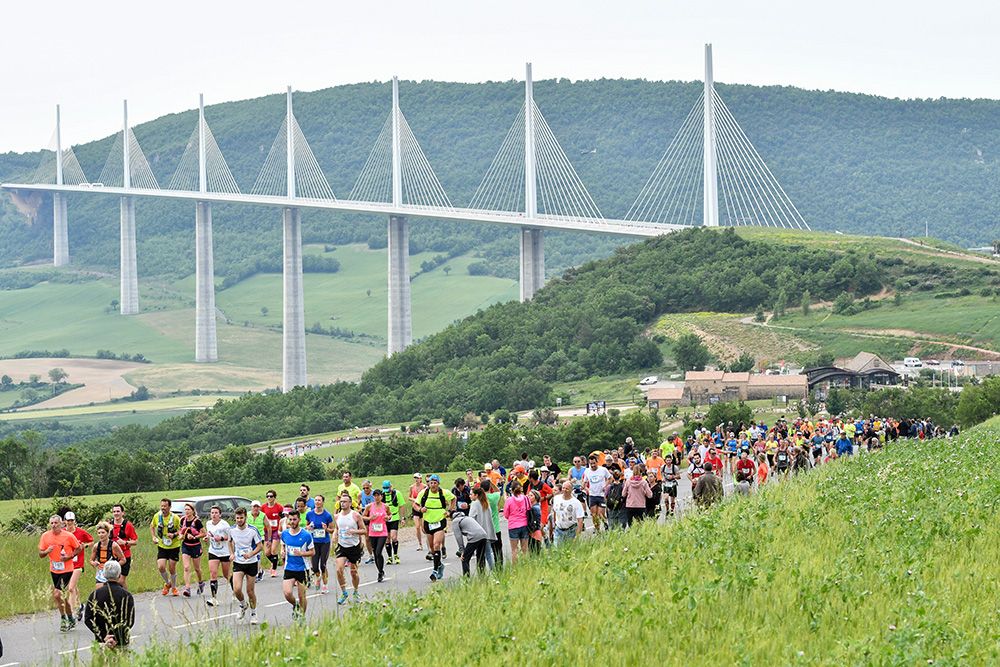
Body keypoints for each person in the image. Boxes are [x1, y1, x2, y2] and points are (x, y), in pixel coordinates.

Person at [39, 514, 83, 632]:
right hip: (54, 570)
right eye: (52, 523)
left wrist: (69, 556)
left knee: (57, 594)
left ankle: (63, 618)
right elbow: (41, 554)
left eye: (56, 523)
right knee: (60, 597)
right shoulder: (45, 536)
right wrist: (46, 551)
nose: (53, 525)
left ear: (61, 524)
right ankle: (70, 618)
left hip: (67, 569)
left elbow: (79, 548)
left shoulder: (68, 536)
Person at [83, 560, 134, 649]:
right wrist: (116, 636)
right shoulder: (126, 595)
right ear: (119, 575)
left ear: (104, 575)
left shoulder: (95, 594)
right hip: (121, 641)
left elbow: (88, 619)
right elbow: (130, 621)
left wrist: (103, 636)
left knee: (102, 662)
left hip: (102, 641)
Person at [412, 474, 455, 581]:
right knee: (431, 548)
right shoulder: (424, 493)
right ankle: (440, 565)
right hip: (427, 522)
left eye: (435, 483)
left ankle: (435, 571)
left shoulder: (443, 492)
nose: (433, 485)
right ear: (429, 483)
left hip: (440, 521)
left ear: (438, 484)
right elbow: (415, 505)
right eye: (431, 483)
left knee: (436, 545)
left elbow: (454, 498)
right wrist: (420, 509)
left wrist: (450, 511)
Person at [229, 507, 263, 624]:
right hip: (238, 563)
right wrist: (232, 553)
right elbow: (230, 541)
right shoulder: (232, 529)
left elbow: (260, 546)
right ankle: (243, 605)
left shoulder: (252, 530)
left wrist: (251, 553)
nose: (239, 520)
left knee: (250, 591)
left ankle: (254, 613)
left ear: (245, 517)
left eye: (241, 518)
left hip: (251, 563)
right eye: (237, 518)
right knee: (237, 589)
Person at [280, 510, 314, 620]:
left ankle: (302, 618)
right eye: (290, 519)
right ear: (288, 520)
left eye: (295, 519)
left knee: (302, 596)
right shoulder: (285, 534)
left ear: (299, 520)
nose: (292, 522)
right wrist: (282, 551)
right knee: (287, 593)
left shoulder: (306, 535)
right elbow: (283, 545)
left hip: (303, 569)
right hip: (289, 567)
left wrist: (301, 553)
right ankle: (295, 605)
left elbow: (312, 552)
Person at [334, 493, 367, 602]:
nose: (342, 503)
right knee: (339, 569)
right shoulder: (337, 516)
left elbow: (364, 530)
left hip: (354, 546)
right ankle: (344, 593)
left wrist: (354, 531)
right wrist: (335, 534)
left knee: (353, 572)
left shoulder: (356, 515)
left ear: (349, 503)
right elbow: (337, 527)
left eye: (344, 501)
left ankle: (356, 591)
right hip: (342, 546)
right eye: (341, 501)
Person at [63, 512, 94, 622]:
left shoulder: (80, 532)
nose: (70, 523)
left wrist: (84, 546)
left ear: (74, 521)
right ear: (64, 521)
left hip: (78, 564)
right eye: (68, 520)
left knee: (70, 588)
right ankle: (80, 606)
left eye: (72, 520)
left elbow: (91, 541)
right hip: (67, 563)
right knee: (74, 587)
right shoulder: (63, 533)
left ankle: (71, 614)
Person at [149, 499, 181, 596]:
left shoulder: (175, 518)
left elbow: (181, 530)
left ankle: (174, 587)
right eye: (162, 506)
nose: (163, 508)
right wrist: (154, 537)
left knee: (172, 568)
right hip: (162, 545)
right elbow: (152, 526)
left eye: (165, 506)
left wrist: (174, 534)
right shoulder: (157, 516)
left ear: (170, 507)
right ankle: (167, 584)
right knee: (161, 566)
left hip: (174, 546)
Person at [304, 495, 333, 593]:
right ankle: (318, 576)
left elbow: (332, 530)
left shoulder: (327, 515)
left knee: (323, 565)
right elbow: (307, 526)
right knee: (315, 566)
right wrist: (309, 527)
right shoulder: (310, 514)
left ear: (323, 502)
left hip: (325, 542)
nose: (317, 502)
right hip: (314, 542)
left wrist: (326, 529)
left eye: (319, 500)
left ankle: (325, 585)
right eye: (316, 500)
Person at [204, 506, 232, 607]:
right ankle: (214, 598)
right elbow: (209, 534)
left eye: (216, 513)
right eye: (212, 513)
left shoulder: (224, 525)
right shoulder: (208, 523)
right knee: (213, 573)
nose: (214, 515)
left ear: (220, 514)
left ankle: (235, 591)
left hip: (225, 552)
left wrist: (221, 538)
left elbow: (230, 537)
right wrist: (207, 538)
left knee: (226, 574)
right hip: (213, 551)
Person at [178, 502, 205, 597]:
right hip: (185, 545)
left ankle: (201, 582)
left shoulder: (197, 521)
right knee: (186, 567)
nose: (186, 511)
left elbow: (203, 533)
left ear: (193, 511)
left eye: (188, 509)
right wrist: (181, 536)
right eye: (185, 509)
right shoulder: (182, 520)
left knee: (197, 569)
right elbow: (180, 531)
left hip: (196, 546)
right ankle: (187, 588)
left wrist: (194, 537)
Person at [363, 489, 390, 582]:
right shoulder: (369, 507)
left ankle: (380, 572)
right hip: (372, 532)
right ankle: (380, 571)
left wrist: (388, 517)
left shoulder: (385, 506)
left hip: (382, 532)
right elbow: (363, 517)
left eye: (378, 495)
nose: (376, 497)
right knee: (375, 553)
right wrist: (370, 518)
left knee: (378, 552)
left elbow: (390, 515)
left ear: (381, 497)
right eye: (375, 496)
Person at [109, 504, 138, 590]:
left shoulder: (128, 525)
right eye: (114, 511)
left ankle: (127, 597)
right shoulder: (109, 525)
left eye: (118, 511)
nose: (116, 513)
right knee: (112, 581)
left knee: (121, 581)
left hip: (125, 555)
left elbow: (135, 541)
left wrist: (125, 542)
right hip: (112, 556)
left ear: (123, 513)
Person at [502, 480, 531, 563]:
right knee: (525, 549)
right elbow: (529, 509)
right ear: (521, 489)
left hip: (513, 525)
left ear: (512, 490)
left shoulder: (509, 500)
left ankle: (515, 569)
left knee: (514, 550)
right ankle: (526, 566)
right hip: (524, 524)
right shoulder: (526, 498)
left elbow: (506, 514)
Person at [90, 521, 125, 590]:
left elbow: (123, 560)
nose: (101, 535)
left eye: (103, 532)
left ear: (108, 533)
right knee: (99, 593)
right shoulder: (96, 546)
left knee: (112, 593)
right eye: (99, 533)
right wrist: (94, 563)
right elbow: (91, 560)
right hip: (100, 573)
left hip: (112, 574)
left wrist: (113, 566)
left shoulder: (114, 545)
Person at [469, 486, 496, 570]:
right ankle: (493, 571)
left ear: (476, 495)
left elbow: (471, 518)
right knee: (488, 553)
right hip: (487, 532)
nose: (470, 496)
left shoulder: (475, 504)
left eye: (471, 494)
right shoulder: (486, 503)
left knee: (480, 554)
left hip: (478, 533)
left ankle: (482, 571)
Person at [583, 454, 612, 532]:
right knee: (594, 515)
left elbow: (610, 478)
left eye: (594, 463)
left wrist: (606, 486)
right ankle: (597, 530)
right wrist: (587, 489)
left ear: (597, 462)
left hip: (601, 495)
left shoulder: (603, 470)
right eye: (591, 464)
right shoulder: (587, 471)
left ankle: (605, 524)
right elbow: (584, 483)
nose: (592, 465)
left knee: (600, 514)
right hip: (592, 495)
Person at [261, 490, 285, 577]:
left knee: (273, 550)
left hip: (276, 530)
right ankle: (274, 560)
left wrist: (282, 529)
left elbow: (283, 519)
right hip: (267, 531)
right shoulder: (263, 507)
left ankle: (274, 569)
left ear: (274, 497)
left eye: (271, 496)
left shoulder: (279, 507)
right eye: (267, 496)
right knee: (267, 552)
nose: (269, 498)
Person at [482, 479, 504, 567]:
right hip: (495, 527)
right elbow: (498, 491)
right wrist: (491, 483)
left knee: (485, 551)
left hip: (485, 528)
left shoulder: (481, 499)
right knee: (498, 550)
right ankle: (499, 567)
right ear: (489, 488)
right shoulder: (494, 497)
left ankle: (486, 568)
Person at [247, 501, 270, 582]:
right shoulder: (247, 515)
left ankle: (256, 574)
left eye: (257, 507)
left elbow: (268, 527)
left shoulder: (263, 515)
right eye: (254, 507)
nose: (256, 508)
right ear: (251, 507)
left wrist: (269, 540)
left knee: (257, 555)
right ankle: (260, 570)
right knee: (251, 555)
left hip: (260, 538)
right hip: (249, 538)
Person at [382, 480, 402, 565]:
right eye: (385, 489)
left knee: (394, 537)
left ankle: (396, 555)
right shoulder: (381, 495)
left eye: (388, 488)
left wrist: (402, 518)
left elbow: (401, 506)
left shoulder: (397, 493)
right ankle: (389, 557)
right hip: (385, 518)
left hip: (394, 517)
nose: (387, 490)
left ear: (391, 486)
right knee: (387, 539)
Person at [409, 473, 427, 552]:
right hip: (415, 508)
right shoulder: (412, 487)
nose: (417, 479)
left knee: (424, 528)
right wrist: (414, 500)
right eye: (415, 478)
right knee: (417, 527)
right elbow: (409, 497)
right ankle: (420, 544)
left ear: (421, 479)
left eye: (418, 478)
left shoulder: (424, 487)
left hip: (423, 508)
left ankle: (429, 540)